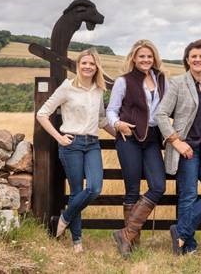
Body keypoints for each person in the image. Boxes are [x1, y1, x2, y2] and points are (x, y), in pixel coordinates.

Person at [36, 48, 115, 253]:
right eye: (84, 63)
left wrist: (120, 134)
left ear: (97, 66)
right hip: (71, 144)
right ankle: (77, 241)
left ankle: (63, 218)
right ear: (78, 66)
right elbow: (43, 113)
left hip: (93, 144)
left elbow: (101, 120)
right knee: (77, 191)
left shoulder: (99, 89)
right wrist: (59, 138)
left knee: (95, 188)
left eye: (92, 63)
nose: (88, 66)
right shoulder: (67, 87)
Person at [155, 39, 201, 255]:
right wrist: (176, 141)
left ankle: (181, 230)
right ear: (187, 60)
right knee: (187, 196)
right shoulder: (177, 83)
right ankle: (188, 245)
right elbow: (160, 114)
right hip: (186, 151)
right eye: (193, 56)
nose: (197, 59)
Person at [108, 40, 167, 258]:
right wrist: (117, 124)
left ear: (154, 58)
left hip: (152, 138)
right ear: (134, 57)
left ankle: (126, 233)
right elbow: (111, 110)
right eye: (141, 56)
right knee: (132, 189)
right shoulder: (123, 81)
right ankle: (131, 244)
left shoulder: (161, 79)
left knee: (158, 186)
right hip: (129, 137)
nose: (145, 60)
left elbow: (167, 107)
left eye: (149, 56)